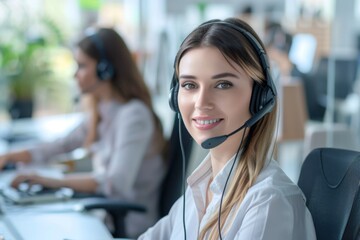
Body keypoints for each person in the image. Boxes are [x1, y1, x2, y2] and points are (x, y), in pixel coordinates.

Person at [139, 18, 316, 239]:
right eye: (189, 85)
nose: (201, 102)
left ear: (260, 98)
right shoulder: (200, 189)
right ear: (175, 97)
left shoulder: (268, 202)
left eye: (223, 85)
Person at [0, 28, 166, 238]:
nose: (75, 74)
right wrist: (9, 157)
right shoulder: (103, 110)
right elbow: (60, 144)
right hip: (101, 216)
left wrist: (52, 181)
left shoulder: (134, 115)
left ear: (106, 69)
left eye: (82, 66)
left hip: (129, 225)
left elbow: (116, 183)